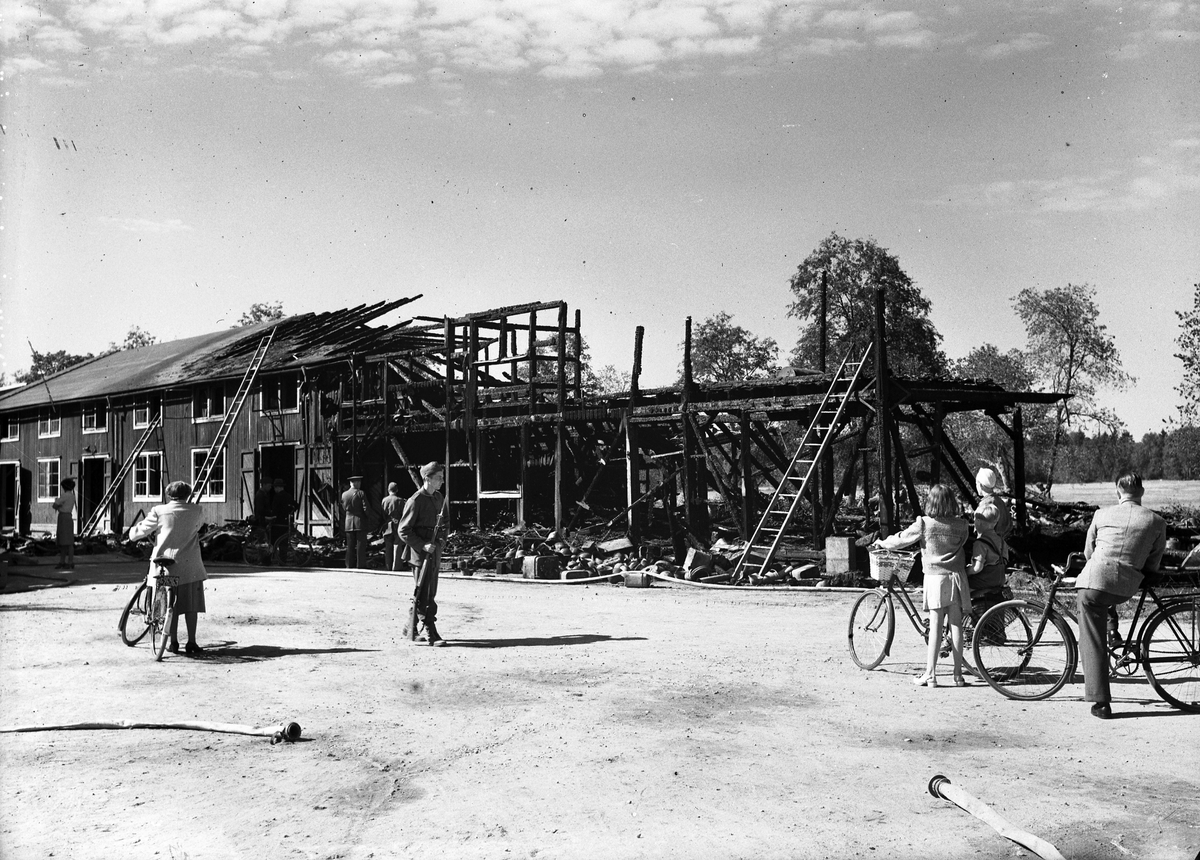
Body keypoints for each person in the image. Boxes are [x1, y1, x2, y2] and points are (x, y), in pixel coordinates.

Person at [1076, 470, 1167, 719]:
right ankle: (1113, 633)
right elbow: (1153, 562)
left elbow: (1088, 553)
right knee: (1106, 603)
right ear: (1142, 492)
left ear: (1118, 491)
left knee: (1092, 639)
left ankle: (1101, 701)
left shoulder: (1101, 514)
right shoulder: (1156, 521)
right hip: (1128, 587)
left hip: (1095, 584)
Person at [875, 483, 972, 687]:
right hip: (957, 577)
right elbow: (963, 543)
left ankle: (931, 674)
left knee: (935, 626)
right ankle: (958, 676)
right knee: (956, 626)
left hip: (936, 579)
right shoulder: (962, 525)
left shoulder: (925, 524)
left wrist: (883, 542)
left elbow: (902, 539)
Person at [127, 480, 208, 655]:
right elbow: (198, 526)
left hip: (166, 566)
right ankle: (192, 642)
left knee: (169, 604)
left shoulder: (159, 511)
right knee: (191, 605)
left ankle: (173, 642)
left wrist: (133, 532)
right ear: (188, 495)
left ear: (169, 494)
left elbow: (138, 533)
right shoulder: (197, 510)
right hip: (190, 567)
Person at [399, 462, 447, 646]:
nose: (442, 481)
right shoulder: (415, 500)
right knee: (423, 592)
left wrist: (441, 541)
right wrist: (422, 545)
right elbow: (403, 530)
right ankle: (430, 631)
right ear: (427, 478)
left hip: (434, 551)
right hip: (420, 554)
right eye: (439, 478)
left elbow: (445, 522)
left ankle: (409, 628)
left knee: (429, 592)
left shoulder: (438, 497)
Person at [341, 475, 368, 569]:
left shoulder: (344, 494)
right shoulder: (361, 493)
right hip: (360, 521)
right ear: (357, 483)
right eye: (359, 482)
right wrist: (368, 517)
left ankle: (349, 564)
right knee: (360, 545)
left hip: (348, 522)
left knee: (350, 545)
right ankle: (360, 565)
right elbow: (366, 508)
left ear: (350, 483)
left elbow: (343, 508)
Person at [53, 478, 77, 570]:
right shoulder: (72, 496)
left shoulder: (65, 495)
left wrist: (59, 507)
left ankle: (64, 561)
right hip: (69, 517)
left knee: (64, 541)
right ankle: (69, 561)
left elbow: (55, 505)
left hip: (63, 517)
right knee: (68, 541)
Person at [269, 478, 295, 563]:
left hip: (277, 522)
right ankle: (282, 559)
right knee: (284, 542)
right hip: (285, 522)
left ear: (277, 487)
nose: (274, 489)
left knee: (273, 540)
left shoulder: (277, 497)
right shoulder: (288, 496)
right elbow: (295, 505)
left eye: (275, 488)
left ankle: (271, 557)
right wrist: (290, 512)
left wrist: (272, 517)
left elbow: (275, 510)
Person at [381, 482, 405, 571]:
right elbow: (404, 514)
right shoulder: (400, 500)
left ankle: (388, 566)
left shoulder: (384, 500)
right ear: (397, 490)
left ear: (388, 490)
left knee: (388, 547)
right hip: (398, 525)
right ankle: (397, 567)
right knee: (397, 545)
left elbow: (382, 513)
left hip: (387, 525)